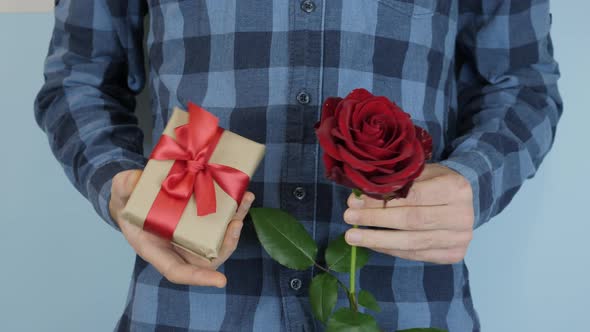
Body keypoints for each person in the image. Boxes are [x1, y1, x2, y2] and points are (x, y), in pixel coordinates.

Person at [34, 1, 562, 331]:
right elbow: (77, 77)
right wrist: (119, 183)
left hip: (404, 304)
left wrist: (478, 179)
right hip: (192, 305)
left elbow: (522, 84)